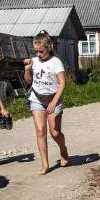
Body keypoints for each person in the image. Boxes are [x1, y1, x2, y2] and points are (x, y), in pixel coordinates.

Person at [24, 31, 70, 175]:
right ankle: (45, 164)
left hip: (53, 99)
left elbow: (62, 83)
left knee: (55, 132)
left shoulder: (56, 62)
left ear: (48, 48)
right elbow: (29, 80)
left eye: (41, 51)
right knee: (40, 131)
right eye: (36, 51)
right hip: (37, 99)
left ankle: (63, 150)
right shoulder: (34, 61)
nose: (38, 54)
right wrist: (27, 69)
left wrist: (54, 102)